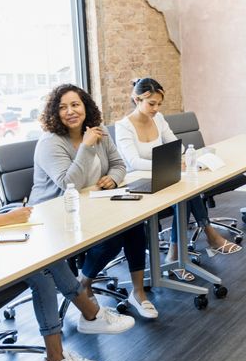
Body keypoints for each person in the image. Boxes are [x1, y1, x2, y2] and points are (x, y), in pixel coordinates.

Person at [0, 101, 134, 361]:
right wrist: (6, 221)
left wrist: (7, 218)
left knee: (47, 257)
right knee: (41, 275)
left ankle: (81, 330)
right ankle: (75, 336)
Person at [30, 84, 158, 320]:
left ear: (85, 107)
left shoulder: (98, 132)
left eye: (75, 104)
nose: (70, 111)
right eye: (62, 107)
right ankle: (83, 284)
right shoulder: (50, 143)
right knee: (113, 236)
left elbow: (119, 165)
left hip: (95, 204)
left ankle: (138, 293)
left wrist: (113, 178)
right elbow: (69, 183)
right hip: (56, 214)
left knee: (134, 225)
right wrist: (87, 146)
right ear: (54, 113)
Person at [114, 78, 240, 278]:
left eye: (159, 104)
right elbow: (133, 162)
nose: (156, 109)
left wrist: (175, 160)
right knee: (186, 194)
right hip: (137, 183)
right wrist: (167, 164)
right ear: (137, 100)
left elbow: (177, 146)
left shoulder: (158, 118)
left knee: (187, 192)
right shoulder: (124, 127)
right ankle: (206, 236)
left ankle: (175, 253)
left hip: (163, 176)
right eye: (151, 104)